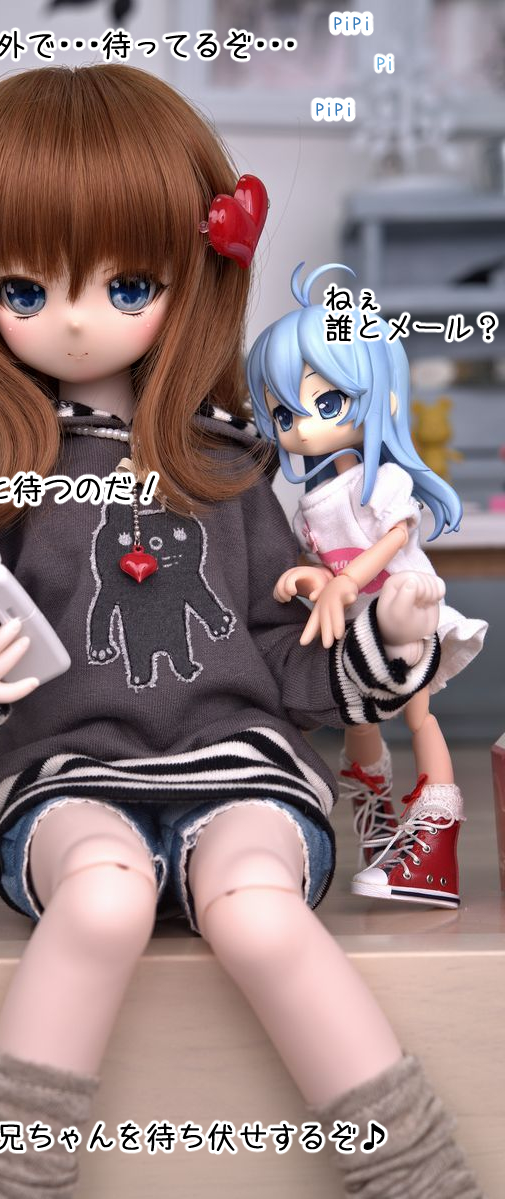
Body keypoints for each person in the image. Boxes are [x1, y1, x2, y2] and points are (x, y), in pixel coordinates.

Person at [0, 65, 481, 1198]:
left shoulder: (231, 465)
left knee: (258, 908)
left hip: (243, 770)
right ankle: (6, 1176)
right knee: (101, 893)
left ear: (192, 275)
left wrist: (387, 637)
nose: (74, 319)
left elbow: (295, 668)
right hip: (64, 779)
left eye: (126, 283)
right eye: (23, 288)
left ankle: (417, 1175)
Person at [247, 263, 487, 908]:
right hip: (360, 632)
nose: (301, 427)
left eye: (326, 404)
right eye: (284, 412)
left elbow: (395, 535)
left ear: (382, 398)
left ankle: (437, 837)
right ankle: (378, 818)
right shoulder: (314, 498)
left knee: (419, 713)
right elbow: (325, 558)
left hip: (406, 610)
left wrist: (346, 579)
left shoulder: (381, 480)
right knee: (359, 718)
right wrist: (312, 575)